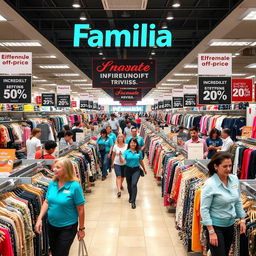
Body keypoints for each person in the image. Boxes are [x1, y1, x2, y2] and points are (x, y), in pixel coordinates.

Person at [35, 158, 85, 256]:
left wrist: (81, 229)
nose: (54, 169)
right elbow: (46, 201)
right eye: (54, 167)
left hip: (68, 227)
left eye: (58, 167)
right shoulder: (52, 183)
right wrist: (39, 218)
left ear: (66, 170)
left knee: (61, 253)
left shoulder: (74, 186)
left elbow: (81, 209)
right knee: (54, 252)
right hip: (52, 225)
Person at [200, 152, 246, 256]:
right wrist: (211, 232)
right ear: (216, 166)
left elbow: (238, 200)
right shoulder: (210, 184)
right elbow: (204, 209)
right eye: (225, 166)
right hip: (215, 227)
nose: (228, 169)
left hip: (230, 225)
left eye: (230, 166)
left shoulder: (234, 179)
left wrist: (242, 219)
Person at [120, 138, 147, 209]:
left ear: (136, 144)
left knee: (134, 184)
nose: (133, 144)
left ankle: (133, 201)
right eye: (131, 143)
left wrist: (144, 169)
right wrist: (120, 156)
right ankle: (131, 196)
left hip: (136, 170)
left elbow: (141, 161)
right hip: (127, 169)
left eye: (134, 143)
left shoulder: (139, 152)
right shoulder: (126, 152)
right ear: (129, 144)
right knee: (129, 185)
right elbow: (122, 161)